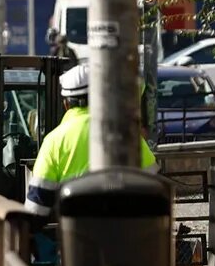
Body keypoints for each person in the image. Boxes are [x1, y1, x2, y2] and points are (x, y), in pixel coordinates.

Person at [24, 64, 158, 217]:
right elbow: (153, 183)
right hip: (124, 234)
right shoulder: (125, 132)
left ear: (66, 104)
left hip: (75, 235)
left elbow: (36, 209)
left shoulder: (54, 141)